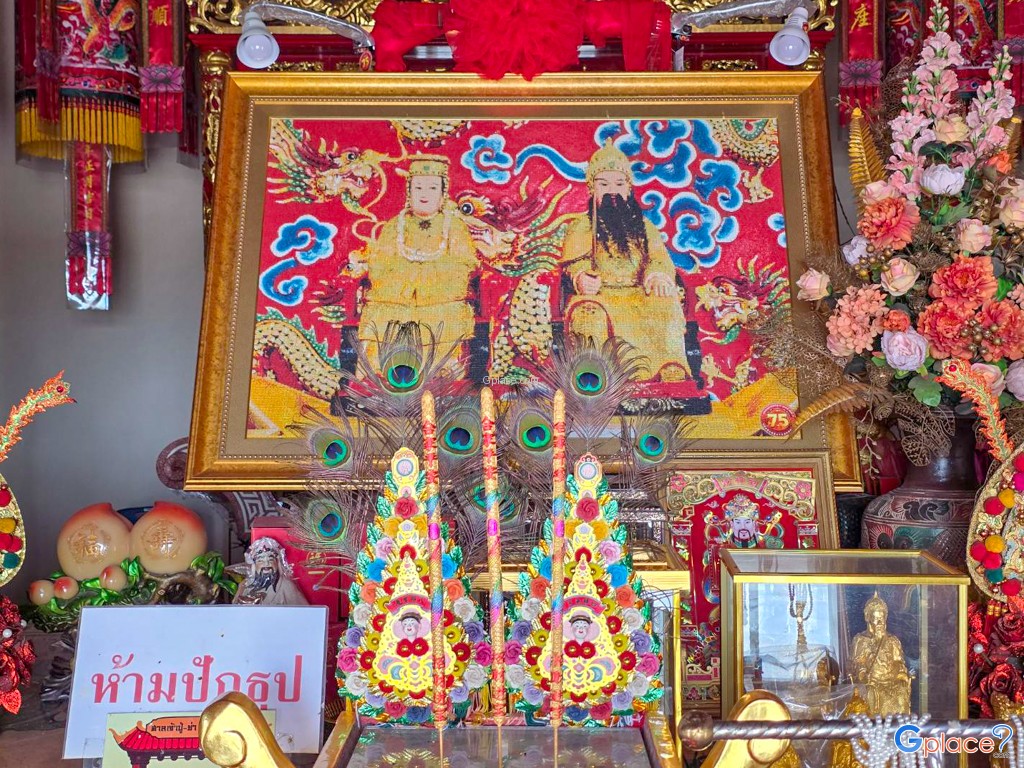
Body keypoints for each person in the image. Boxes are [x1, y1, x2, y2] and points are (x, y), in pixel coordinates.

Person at [561, 141, 691, 381]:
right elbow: (574, 263)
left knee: (665, 303)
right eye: (604, 184)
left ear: (629, 189)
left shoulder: (645, 227)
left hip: (639, 294)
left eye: (619, 184)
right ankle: (599, 375)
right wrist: (581, 278)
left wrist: (657, 276)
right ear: (591, 189)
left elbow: (658, 259)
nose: (612, 190)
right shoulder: (581, 226)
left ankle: (667, 366)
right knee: (588, 312)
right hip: (601, 296)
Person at [353, 155, 478, 364]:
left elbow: (464, 265)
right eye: (418, 188)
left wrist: (425, 279)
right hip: (396, 298)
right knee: (381, 316)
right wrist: (407, 282)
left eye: (432, 188)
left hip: (441, 300)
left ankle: (441, 374)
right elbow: (379, 265)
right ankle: (380, 373)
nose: (424, 195)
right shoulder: (395, 225)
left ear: (442, 193)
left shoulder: (455, 227)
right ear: (409, 191)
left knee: (445, 319)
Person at [849, 593, 912, 716]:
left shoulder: (892, 640)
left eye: (882, 618)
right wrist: (862, 673)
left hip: (892, 680)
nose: (880, 622)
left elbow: (899, 661)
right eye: (876, 618)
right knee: (870, 693)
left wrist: (901, 673)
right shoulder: (861, 640)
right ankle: (872, 726)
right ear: (868, 618)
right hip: (871, 682)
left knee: (901, 694)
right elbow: (856, 663)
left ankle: (897, 725)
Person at [232, 537, 308, 606]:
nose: (266, 564)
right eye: (261, 561)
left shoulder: (286, 585)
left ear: (277, 563)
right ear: (254, 564)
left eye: (270, 560)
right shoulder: (245, 585)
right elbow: (235, 608)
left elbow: (303, 611)